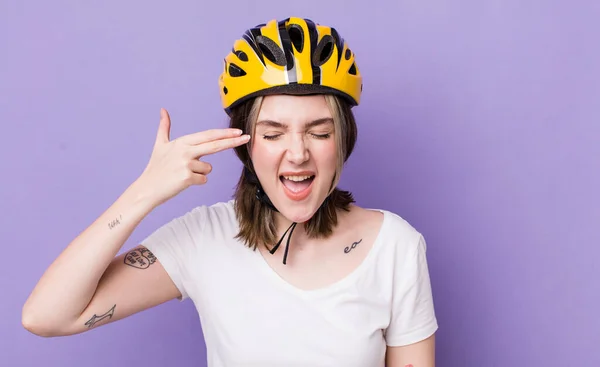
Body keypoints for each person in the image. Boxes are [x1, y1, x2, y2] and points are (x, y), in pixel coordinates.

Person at [22, 16, 438, 367]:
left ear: (343, 140)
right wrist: (143, 193)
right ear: (246, 146)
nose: (297, 153)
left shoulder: (394, 246)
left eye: (320, 132)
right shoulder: (204, 237)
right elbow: (46, 316)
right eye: (273, 133)